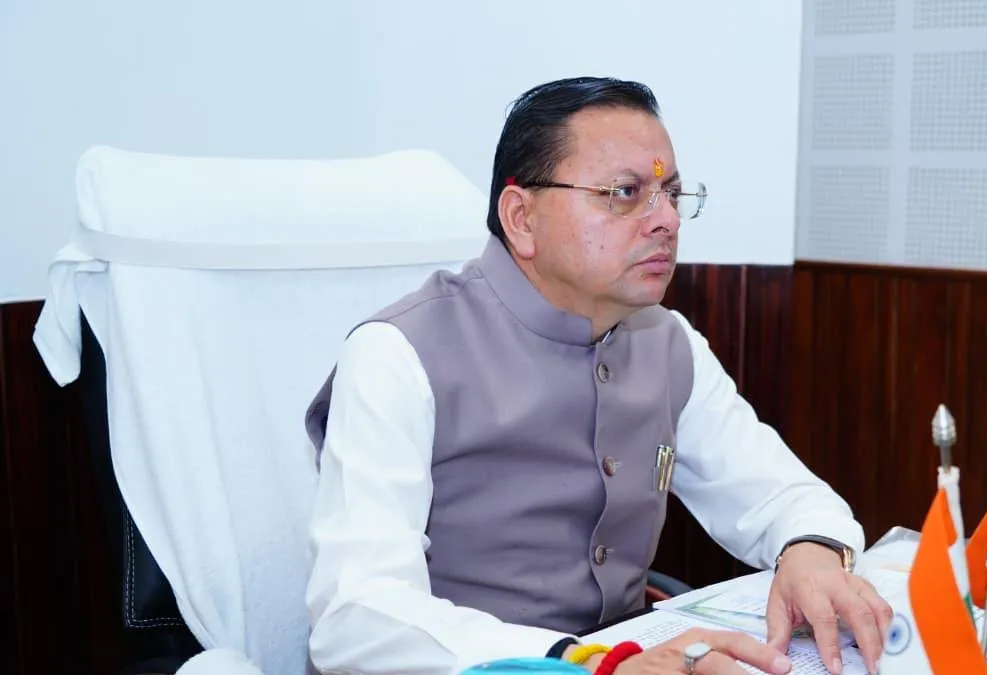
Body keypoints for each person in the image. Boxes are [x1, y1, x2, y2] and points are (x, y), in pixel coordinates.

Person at [302, 76, 892, 675]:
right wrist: (584, 662)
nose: (666, 220)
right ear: (521, 218)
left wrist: (813, 550)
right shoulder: (397, 354)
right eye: (625, 193)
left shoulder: (668, 343)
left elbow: (783, 496)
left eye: (671, 193)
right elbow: (356, 615)